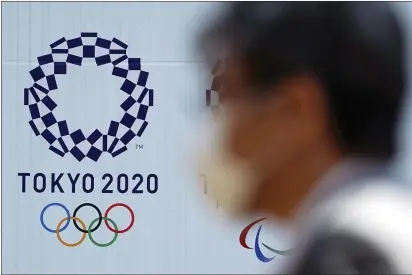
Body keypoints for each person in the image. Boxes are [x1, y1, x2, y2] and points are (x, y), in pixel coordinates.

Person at [197, 2, 412, 274]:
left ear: (295, 110)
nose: (218, 130)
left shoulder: (343, 257)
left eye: (226, 102)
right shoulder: (387, 228)